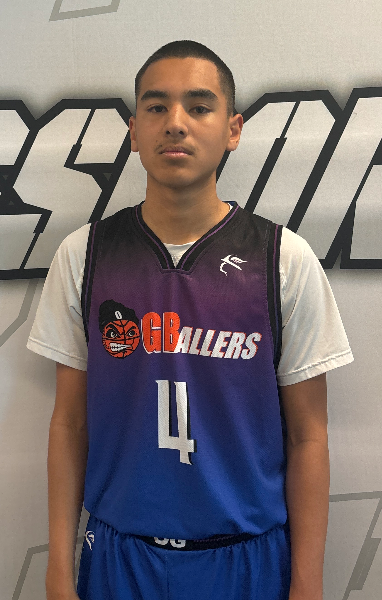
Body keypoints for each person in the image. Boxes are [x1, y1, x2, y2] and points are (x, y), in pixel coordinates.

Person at [27, 40, 354, 600]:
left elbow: (308, 437)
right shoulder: (85, 255)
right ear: (134, 131)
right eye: (156, 107)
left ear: (233, 129)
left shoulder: (283, 259)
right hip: (120, 555)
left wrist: (308, 582)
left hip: (248, 558)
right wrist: (59, 567)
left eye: (199, 107)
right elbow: (70, 424)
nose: (175, 123)